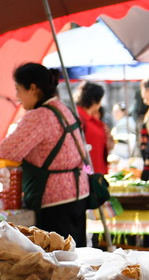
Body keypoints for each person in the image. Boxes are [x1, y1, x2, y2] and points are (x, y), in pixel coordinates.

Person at [0, 63, 90, 245]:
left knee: (57, 260)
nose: (17, 97)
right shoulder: (64, 109)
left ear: (33, 88)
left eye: (18, 89)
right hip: (80, 194)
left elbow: (7, 151)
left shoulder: (39, 116)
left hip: (55, 200)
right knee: (76, 254)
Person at [75, 82, 113, 175]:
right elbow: (78, 152)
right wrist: (87, 173)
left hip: (97, 173)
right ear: (94, 101)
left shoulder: (92, 119)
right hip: (88, 175)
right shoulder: (78, 118)